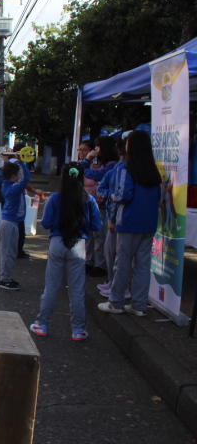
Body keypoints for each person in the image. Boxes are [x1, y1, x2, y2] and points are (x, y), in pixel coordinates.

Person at [30, 162, 102, 341]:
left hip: (56, 243)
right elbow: (97, 225)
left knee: (51, 286)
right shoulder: (88, 199)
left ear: (62, 177)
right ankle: (78, 329)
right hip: (78, 245)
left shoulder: (55, 198)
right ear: (82, 178)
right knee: (77, 290)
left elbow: (45, 223)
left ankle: (42, 324)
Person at [98, 130, 162, 317]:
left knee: (122, 263)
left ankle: (116, 302)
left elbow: (123, 195)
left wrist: (110, 196)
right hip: (149, 223)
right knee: (142, 265)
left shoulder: (125, 169)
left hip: (128, 222)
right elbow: (158, 197)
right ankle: (139, 305)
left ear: (130, 146)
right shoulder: (153, 169)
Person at [0, 142, 44, 260]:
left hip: (7, 197)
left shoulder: (9, 163)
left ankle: (2, 246)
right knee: (18, 224)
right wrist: (34, 190)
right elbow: (24, 181)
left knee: (12, 225)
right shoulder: (18, 164)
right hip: (15, 198)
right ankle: (11, 250)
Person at [80, 135, 119, 278]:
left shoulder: (112, 164)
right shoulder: (97, 162)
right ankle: (89, 261)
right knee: (88, 236)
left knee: (100, 236)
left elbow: (97, 175)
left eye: (97, 148)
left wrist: (87, 162)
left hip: (102, 206)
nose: (94, 151)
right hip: (89, 204)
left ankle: (101, 265)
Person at [97, 133, 129, 298]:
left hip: (120, 218)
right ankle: (114, 284)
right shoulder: (118, 168)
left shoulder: (121, 168)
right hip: (123, 218)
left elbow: (122, 194)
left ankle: (119, 290)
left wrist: (110, 196)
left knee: (117, 255)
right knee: (114, 254)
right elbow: (102, 187)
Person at [0, 159, 31, 290]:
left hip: (9, 223)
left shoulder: (7, 185)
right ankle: (4, 280)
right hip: (9, 224)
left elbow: (21, 178)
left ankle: (6, 278)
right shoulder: (13, 188)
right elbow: (26, 178)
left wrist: (8, 161)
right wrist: (22, 162)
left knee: (9, 252)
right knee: (8, 253)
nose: (20, 176)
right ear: (13, 176)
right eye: (18, 174)